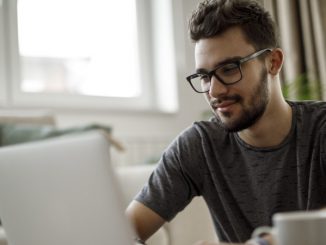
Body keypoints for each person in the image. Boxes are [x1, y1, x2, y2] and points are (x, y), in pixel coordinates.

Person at [126, 0, 326, 244]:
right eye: (204, 76)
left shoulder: (320, 130)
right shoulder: (199, 145)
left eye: (230, 69)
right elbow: (121, 233)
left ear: (273, 62)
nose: (215, 91)